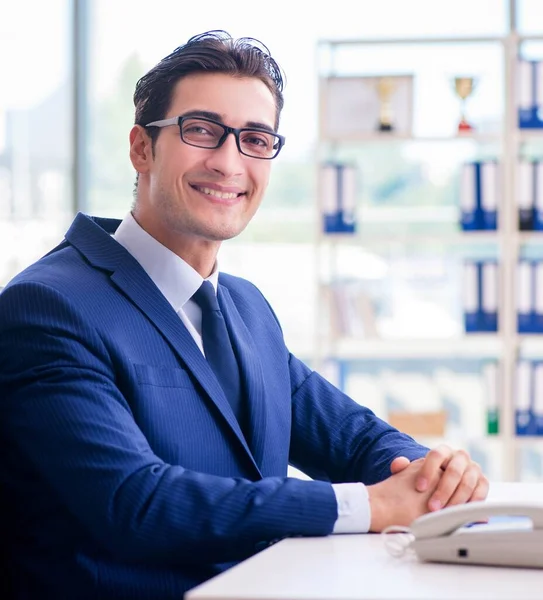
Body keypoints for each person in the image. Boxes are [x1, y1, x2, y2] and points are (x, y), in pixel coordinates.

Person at [0, 30, 488, 599]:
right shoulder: (47, 308)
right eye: (202, 130)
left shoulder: (246, 308)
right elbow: (134, 502)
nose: (229, 163)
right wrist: (368, 504)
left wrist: (435, 473)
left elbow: (353, 439)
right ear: (141, 148)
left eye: (255, 139)